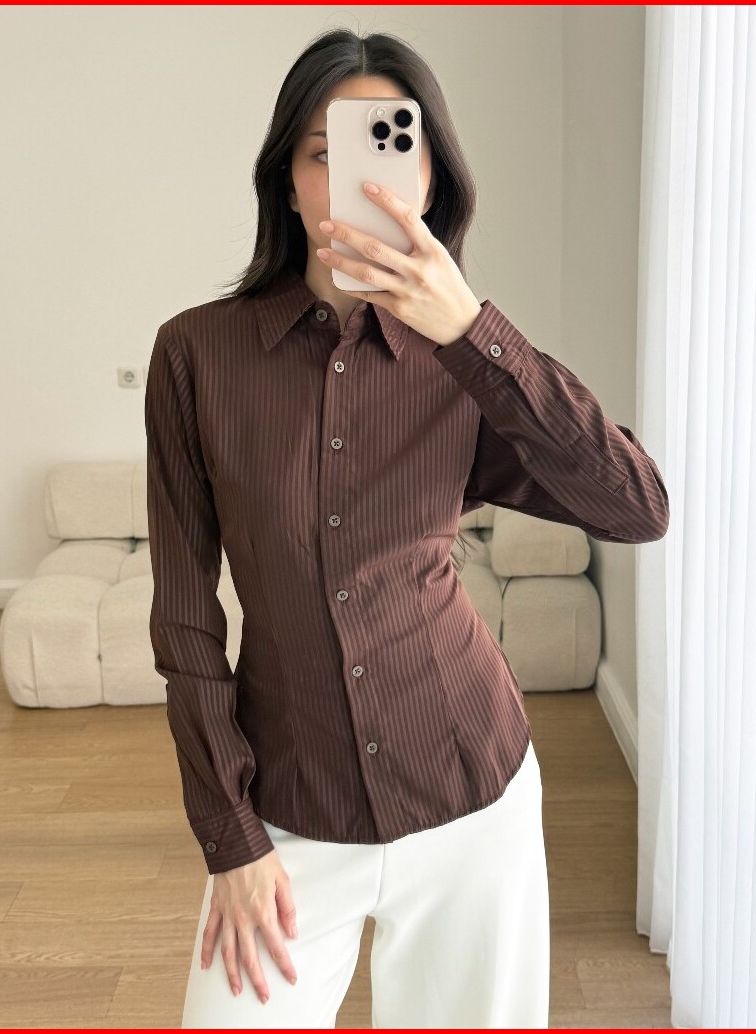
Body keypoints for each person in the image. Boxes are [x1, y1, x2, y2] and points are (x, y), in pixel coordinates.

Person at [144, 27, 670, 1030]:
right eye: (323, 152)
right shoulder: (194, 357)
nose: (360, 179)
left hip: (472, 792)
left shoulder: (466, 365)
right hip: (288, 811)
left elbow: (634, 505)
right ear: (287, 181)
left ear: (430, 178)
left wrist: (472, 329)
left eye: (390, 146)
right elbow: (184, 620)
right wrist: (228, 835)